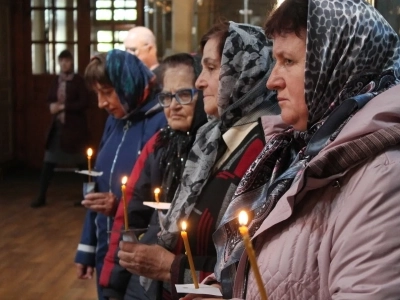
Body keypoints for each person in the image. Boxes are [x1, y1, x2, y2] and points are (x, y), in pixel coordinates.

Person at [185, 0, 400, 299]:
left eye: (288, 61)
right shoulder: (294, 152)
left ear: (336, 65)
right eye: (275, 61)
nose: (272, 81)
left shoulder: (384, 177)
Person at [117, 21, 280, 300]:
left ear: (245, 70)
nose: (199, 81)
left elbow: (256, 264)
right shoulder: (212, 137)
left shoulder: (264, 149)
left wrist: (171, 267)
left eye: (212, 68)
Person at [98, 53, 208, 300]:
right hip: (144, 283)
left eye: (183, 94)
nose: (173, 105)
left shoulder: (216, 150)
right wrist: (111, 285)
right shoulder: (160, 145)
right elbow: (130, 213)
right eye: (167, 96)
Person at [74, 49, 166, 300]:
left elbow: (164, 197)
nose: (101, 103)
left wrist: (120, 206)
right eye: (97, 94)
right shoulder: (114, 120)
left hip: (139, 253)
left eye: (106, 92)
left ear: (128, 83)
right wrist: (87, 248)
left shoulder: (162, 121)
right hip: (106, 249)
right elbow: (99, 187)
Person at [31, 49, 89, 208]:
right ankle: (41, 196)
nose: (64, 64)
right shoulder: (57, 81)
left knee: (82, 165)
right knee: (48, 162)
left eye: (67, 60)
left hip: (75, 129)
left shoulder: (78, 80)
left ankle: (89, 197)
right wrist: (51, 106)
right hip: (58, 128)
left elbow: (84, 102)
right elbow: (49, 98)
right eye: (61, 61)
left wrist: (64, 107)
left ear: (72, 62)